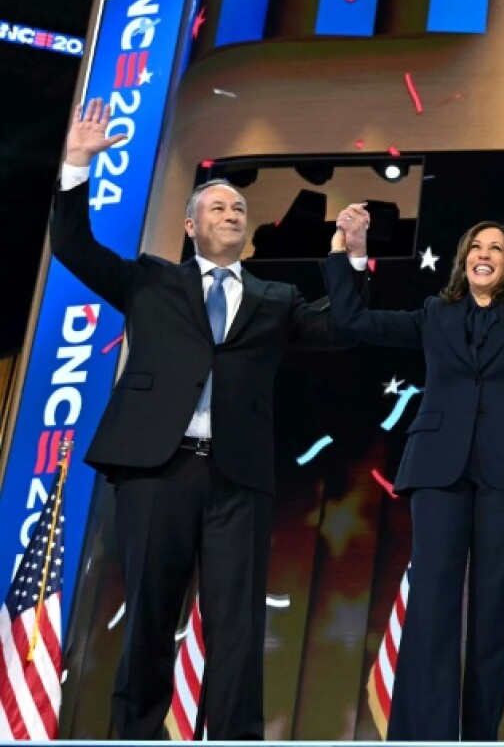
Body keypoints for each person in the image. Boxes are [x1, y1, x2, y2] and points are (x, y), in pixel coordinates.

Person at [50, 99, 365, 739]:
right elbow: (74, 246)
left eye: (239, 209)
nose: (231, 214)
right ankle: (134, 733)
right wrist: (77, 163)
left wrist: (351, 258)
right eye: (218, 207)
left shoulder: (275, 299)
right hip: (155, 471)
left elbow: (341, 328)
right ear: (192, 227)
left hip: (236, 479)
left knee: (237, 622)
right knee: (148, 616)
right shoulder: (149, 281)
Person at [325, 195, 504, 740]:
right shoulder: (436, 313)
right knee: (432, 601)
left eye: (495, 249)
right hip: (440, 469)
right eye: (476, 247)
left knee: (496, 608)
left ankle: (479, 736)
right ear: (463, 260)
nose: (484, 255)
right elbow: (353, 320)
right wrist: (352, 255)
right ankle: (422, 735)